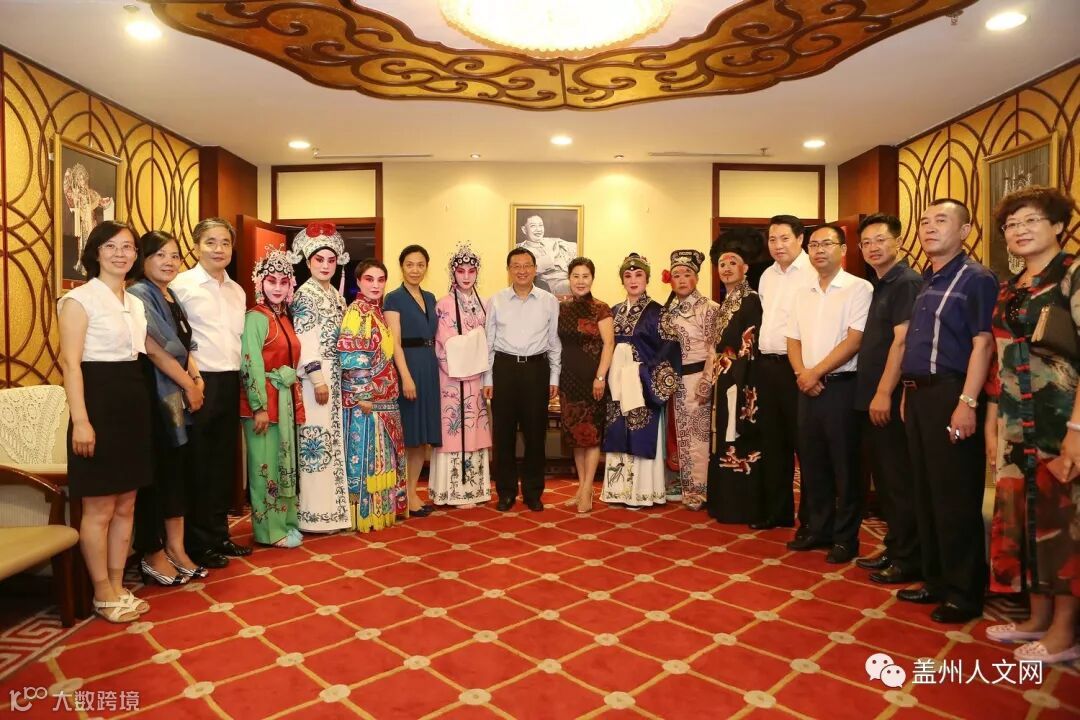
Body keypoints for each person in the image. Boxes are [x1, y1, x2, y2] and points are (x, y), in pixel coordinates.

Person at [983, 186, 1080, 663]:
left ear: (1058, 225)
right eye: (1011, 225)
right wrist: (992, 424)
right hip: (1014, 420)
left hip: (1061, 420)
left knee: (1062, 525)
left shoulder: (1072, 275)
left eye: (1031, 221)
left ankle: (1063, 633)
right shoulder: (1011, 285)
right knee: (1024, 519)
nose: (1019, 231)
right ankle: (1036, 619)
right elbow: (1000, 355)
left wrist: (1077, 431)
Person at [898, 198, 998, 624]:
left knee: (955, 493)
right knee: (925, 490)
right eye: (925, 221)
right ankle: (935, 579)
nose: (930, 227)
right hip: (920, 394)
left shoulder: (977, 278)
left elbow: (983, 343)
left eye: (941, 220)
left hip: (952, 394)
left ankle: (964, 591)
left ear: (965, 230)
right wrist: (908, 392)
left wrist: (967, 402)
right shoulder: (928, 278)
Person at [58, 221, 154, 622]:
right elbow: (70, 364)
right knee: (98, 507)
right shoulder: (78, 300)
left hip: (132, 400)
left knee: (127, 503)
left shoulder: (135, 302)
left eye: (128, 247)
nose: (120, 254)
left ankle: (118, 585)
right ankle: (101, 591)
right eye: (111, 246)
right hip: (97, 402)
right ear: (95, 252)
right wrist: (81, 421)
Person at [785, 225, 872, 563]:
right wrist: (802, 374)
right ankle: (818, 528)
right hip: (806, 386)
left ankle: (846, 538)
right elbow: (792, 339)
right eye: (814, 245)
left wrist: (815, 372)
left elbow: (855, 340)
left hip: (841, 387)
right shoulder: (802, 292)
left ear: (844, 249)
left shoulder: (858, 288)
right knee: (812, 462)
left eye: (827, 244)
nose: (819, 250)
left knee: (846, 466)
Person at [128, 231, 209, 585]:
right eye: (160, 255)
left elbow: (185, 346)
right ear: (143, 258)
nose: (169, 262)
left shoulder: (171, 295)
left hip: (177, 394)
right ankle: (152, 552)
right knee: (156, 475)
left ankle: (176, 548)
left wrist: (197, 377)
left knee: (176, 473)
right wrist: (189, 384)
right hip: (154, 395)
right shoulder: (138, 294)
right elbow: (157, 349)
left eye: (175, 255)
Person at [171, 217, 249, 569]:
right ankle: (198, 543)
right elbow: (176, 340)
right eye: (210, 242)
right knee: (199, 462)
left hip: (230, 380)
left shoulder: (237, 290)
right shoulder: (181, 285)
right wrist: (191, 381)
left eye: (225, 243)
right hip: (198, 382)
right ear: (196, 246)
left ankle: (219, 535)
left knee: (222, 462)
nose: (219, 249)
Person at [852, 214, 923, 584]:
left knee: (898, 481)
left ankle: (909, 558)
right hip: (872, 395)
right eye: (866, 242)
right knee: (885, 479)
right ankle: (896, 547)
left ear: (899, 242)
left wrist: (883, 392)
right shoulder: (880, 283)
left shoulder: (906, 282)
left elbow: (903, 341)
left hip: (890, 397)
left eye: (880, 239)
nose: (873, 247)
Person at [483, 247, 562, 512]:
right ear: (508, 270)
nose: (522, 270)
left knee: (535, 435)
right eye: (516, 266)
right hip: (504, 369)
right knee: (503, 434)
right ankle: (505, 492)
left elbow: (554, 342)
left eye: (527, 265)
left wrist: (554, 376)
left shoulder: (549, 301)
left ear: (535, 269)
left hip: (536, 370)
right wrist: (487, 379)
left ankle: (532, 492)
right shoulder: (496, 300)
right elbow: (489, 342)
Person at [601, 253, 681, 507]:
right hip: (617, 384)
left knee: (640, 434)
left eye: (638, 275)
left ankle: (642, 493)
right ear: (622, 280)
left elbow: (669, 349)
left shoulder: (659, 312)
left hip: (642, 384)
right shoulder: (613, 311)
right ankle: (617, 491)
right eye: (628, 275)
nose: (633, 280)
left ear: (647, 279)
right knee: (617, 432)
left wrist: (642, 373)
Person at [240, 247, 305, 548]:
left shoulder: (283, 317)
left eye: (283, 281)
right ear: (260, 283)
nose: (277, 287)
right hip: (265, 403)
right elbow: (250, 362)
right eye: (271, 281)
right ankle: (269, 531)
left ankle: (286, 523)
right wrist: (258, 407)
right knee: (264, 467)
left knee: (283, 465)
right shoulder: (256, 317)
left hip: (284, 400)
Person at [752, 215, 814, 532]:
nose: (778, 245)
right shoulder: (767, 275)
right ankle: (777, 512)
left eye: (784, 238)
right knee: (773, 442)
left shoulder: (813, 272)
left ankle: (811, 520)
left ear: (800, 239)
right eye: (773, 239)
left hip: (799, 368)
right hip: (768, 365)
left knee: (805, 443)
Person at [290, 223, 352, 533]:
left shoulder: (336, 296)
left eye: (330, 260)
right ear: (308, 261)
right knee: (317, 441)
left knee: (332, 442)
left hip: (335, 373)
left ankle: (333, 512)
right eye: (319, 260)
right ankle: (314, 514)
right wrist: (316, 379)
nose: (325, 266)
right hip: (317, 377)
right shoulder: (305, 294)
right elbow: (304, 340)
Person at [339, 259, 408, 530]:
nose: (376, 285)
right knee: (367, 459)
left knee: (383, 459)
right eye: (369, 279)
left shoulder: (376, 311)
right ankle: (363, 517)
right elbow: (354, 355)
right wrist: (363, 393)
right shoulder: (357, 312)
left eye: (381, 279)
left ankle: (382, 512)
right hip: (368, 401)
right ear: (358, 281)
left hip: (385, 399)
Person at [704, 244, 763, 524]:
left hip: (741, 377)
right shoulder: (726, 301)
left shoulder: (751, 300)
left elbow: (750, 344)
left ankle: (741, 506)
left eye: (733, 262)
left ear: (745, 268)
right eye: (722, 264)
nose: (726, 268)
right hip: (723, 376)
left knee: (736, 435)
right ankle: (722, 503)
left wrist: (739, 378)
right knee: (721, 434)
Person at [430, 245, 493, 508]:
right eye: (460, 271)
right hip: (452, 378)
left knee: (475, 427)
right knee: (452, 427)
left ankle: (475, 489)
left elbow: (490, 343)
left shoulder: (485, 304)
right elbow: (443, 343)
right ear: (453, 273)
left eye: (471, 271)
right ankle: (451, 490)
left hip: (477, 378)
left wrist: (483, 367)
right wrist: (471, 346)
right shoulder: (444, 304)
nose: (466, 276)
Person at [383, 245, 441, 517]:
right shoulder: (393, 298)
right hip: (408, 366)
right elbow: (394, 342)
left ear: (426, 267)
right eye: (409, 264)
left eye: (420, 264)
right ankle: (402, 496)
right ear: (401, 267)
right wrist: (405, 376)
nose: (415, 269)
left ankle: (413, 492)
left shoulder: (430, 297)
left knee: (422, 438)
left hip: (429, 366)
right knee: (408, 436)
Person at [663, 249, 720, 509]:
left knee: (698, 438)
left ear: (696, 278)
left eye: (687, 274)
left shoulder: (709, 309)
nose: (682, 279)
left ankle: (699, 491)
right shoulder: (667, 310)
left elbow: (714, 349)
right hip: (672, 382)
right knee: (677, 436)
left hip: (696, 378)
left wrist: (707, 381)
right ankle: (682, 485)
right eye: (677, 275)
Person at [558, 257, 614, 513]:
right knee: (576, 437)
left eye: (585, 276)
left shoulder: (600, 309)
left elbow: (609, 344)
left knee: (590, 437)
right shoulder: (562, 309)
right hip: (568, 380)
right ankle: (582, 488)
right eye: (576, 276)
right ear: (569, 279)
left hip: (593, 381)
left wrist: (600, 377)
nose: (580, 281)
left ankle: (588, 489)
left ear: (592, 278)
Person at [518, 214, 576, 296]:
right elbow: (532, 269)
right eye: (533, 226)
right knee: (575, 285)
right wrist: (552, 256)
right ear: (524, 229)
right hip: (553, 283)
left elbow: (574, 247)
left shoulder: (551, 241)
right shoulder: (522, 250)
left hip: (570, 276)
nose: (538, 229)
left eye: (540, 225)